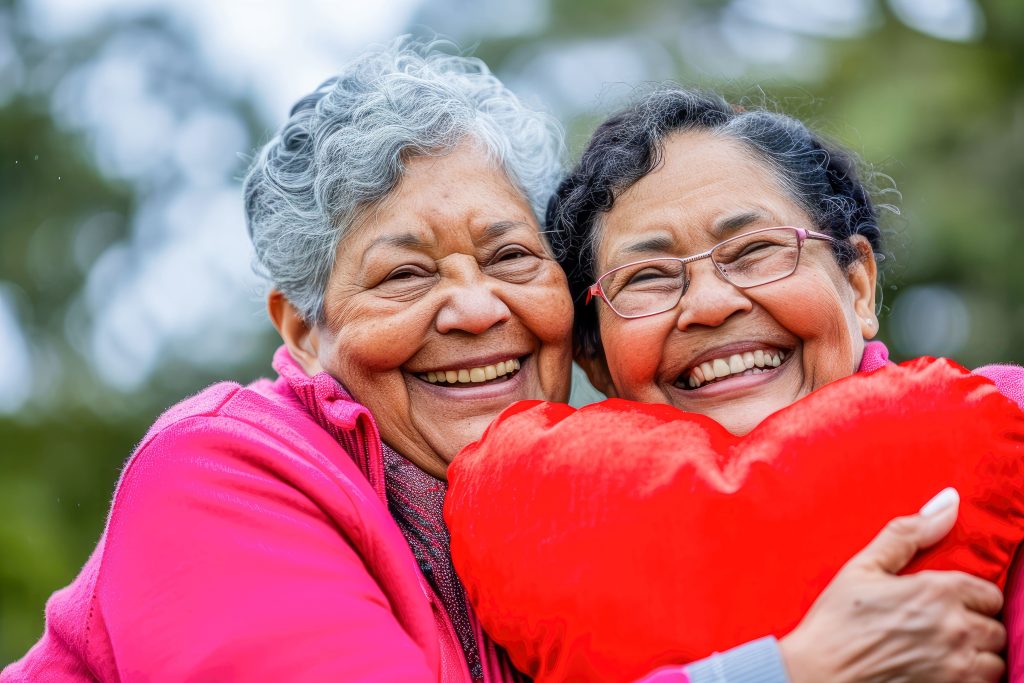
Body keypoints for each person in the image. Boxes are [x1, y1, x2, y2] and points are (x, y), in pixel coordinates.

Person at [0, 41, 1005, 683]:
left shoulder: (592, 496)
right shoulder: (224, 472)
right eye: (402, 275)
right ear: (303, 331)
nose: (476, 308)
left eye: (510, 256)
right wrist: (785, 674)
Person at [547, 85, 1024, 681]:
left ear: (858, 287)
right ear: (594, 360)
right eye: (646, 276)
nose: (711, 305)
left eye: (755, 250)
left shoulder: (1001, 439)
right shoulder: (558, 537)